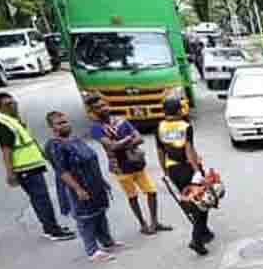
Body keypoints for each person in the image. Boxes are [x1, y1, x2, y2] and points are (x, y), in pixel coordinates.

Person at [88, 93, 170, 236]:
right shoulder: (96, 128)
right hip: (120, 168)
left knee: (151, 192)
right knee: (132, 197)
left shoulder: (120, 121)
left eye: (103, 105)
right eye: (98, 108)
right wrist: (127, 139)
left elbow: (139, 139)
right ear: (93, 111)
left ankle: (154, 222)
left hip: (137, 164)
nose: (102, 109)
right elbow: (112, 146)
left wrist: (121, 143)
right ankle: (143, 224)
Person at [0, 92, 75, 241]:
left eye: (14, 102)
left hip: (33, 166)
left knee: (40, 198)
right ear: (0, 108)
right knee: (41, 199)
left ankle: (50, 227)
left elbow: (30, 141)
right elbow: (6, 149)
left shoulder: (15, 120)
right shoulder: (3, 124)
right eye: (8, 104)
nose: (13, 105)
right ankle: (53, 230)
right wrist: (10, 173)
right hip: (24, 168)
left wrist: (44, 156)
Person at [44, 111, 118, 261]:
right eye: (60, 123)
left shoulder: (75, 140)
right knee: (86, 219)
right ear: (52, 128)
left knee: (100, 214)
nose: (65, 125)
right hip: (78, 187)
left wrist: (102, 181)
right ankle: (93, 251)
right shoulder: (55, 145)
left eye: (66, 121)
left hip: (94, 184)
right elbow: (62, 171)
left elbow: (91, 161)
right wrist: (78, 189)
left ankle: (107, 242)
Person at [157, 95, 212, 256]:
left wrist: (165, 172)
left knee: (189, 200)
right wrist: (197, 171)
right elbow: (189, 150)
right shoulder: (185, 126)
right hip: (188, 168)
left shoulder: (159, 127)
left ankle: (205, 232)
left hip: (173, 170)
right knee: (202, 202)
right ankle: (197, 239)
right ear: (179, 110)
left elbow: (160, 151)